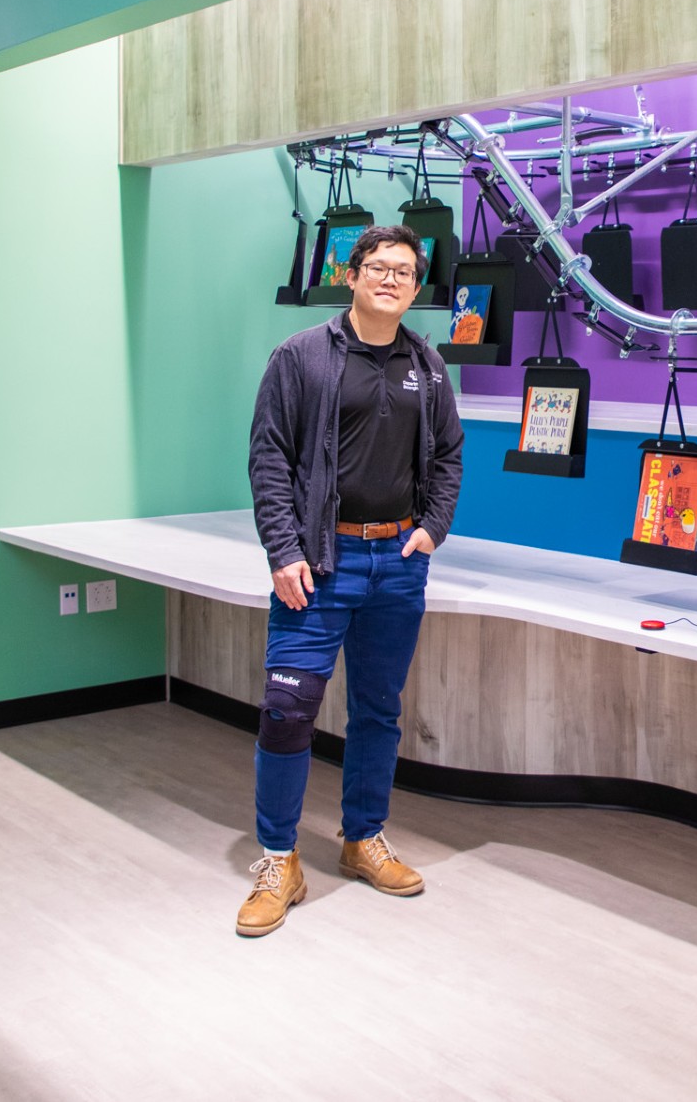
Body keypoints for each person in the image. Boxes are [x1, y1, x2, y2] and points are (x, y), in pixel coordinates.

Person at [237, 224, 463, 937]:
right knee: (286, 709)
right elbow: (269, 457)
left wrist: (432, 529)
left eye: (404, 271)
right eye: (378, 267)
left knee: (377, 710)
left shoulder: (428, 365)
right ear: (353, 274)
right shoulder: (301, 356)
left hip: (397, 562)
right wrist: (283, 550)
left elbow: (449, 456)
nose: (391, 279)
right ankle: (279, 861)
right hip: (318, 562)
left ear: (416, 288)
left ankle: (363, 839)